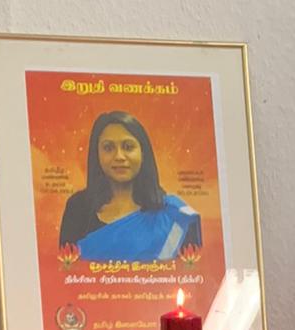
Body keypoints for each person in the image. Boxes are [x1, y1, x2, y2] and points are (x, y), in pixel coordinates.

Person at [59, 110, 202, 262]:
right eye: (108, 148)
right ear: (96, 154)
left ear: (143, 153)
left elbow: (187, 271)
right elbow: (67, 269)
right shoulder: (78, 207)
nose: (119, 156)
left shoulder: (175, 215)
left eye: (128, 147)